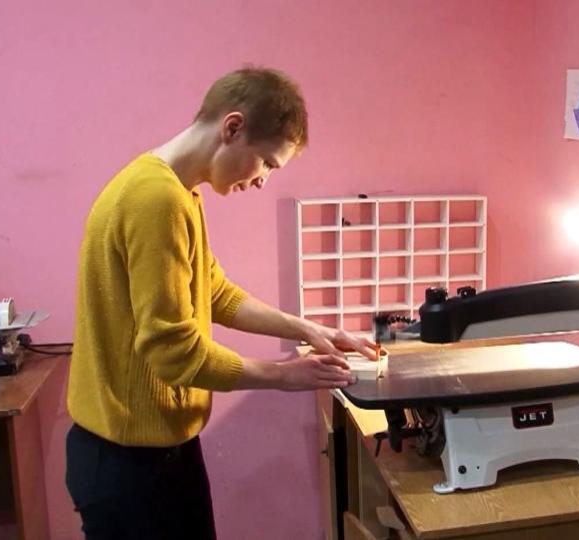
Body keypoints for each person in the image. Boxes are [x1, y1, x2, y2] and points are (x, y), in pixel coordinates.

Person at [65, 67, 376, 539]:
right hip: (127, 463)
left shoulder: (179, 191)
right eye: (267, 163)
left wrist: (308, 330)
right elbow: (174, 351)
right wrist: (282, 377)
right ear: (232, 128)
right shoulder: (156, 199)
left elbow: (214, 292)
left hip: (159, 450)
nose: (263, 181)